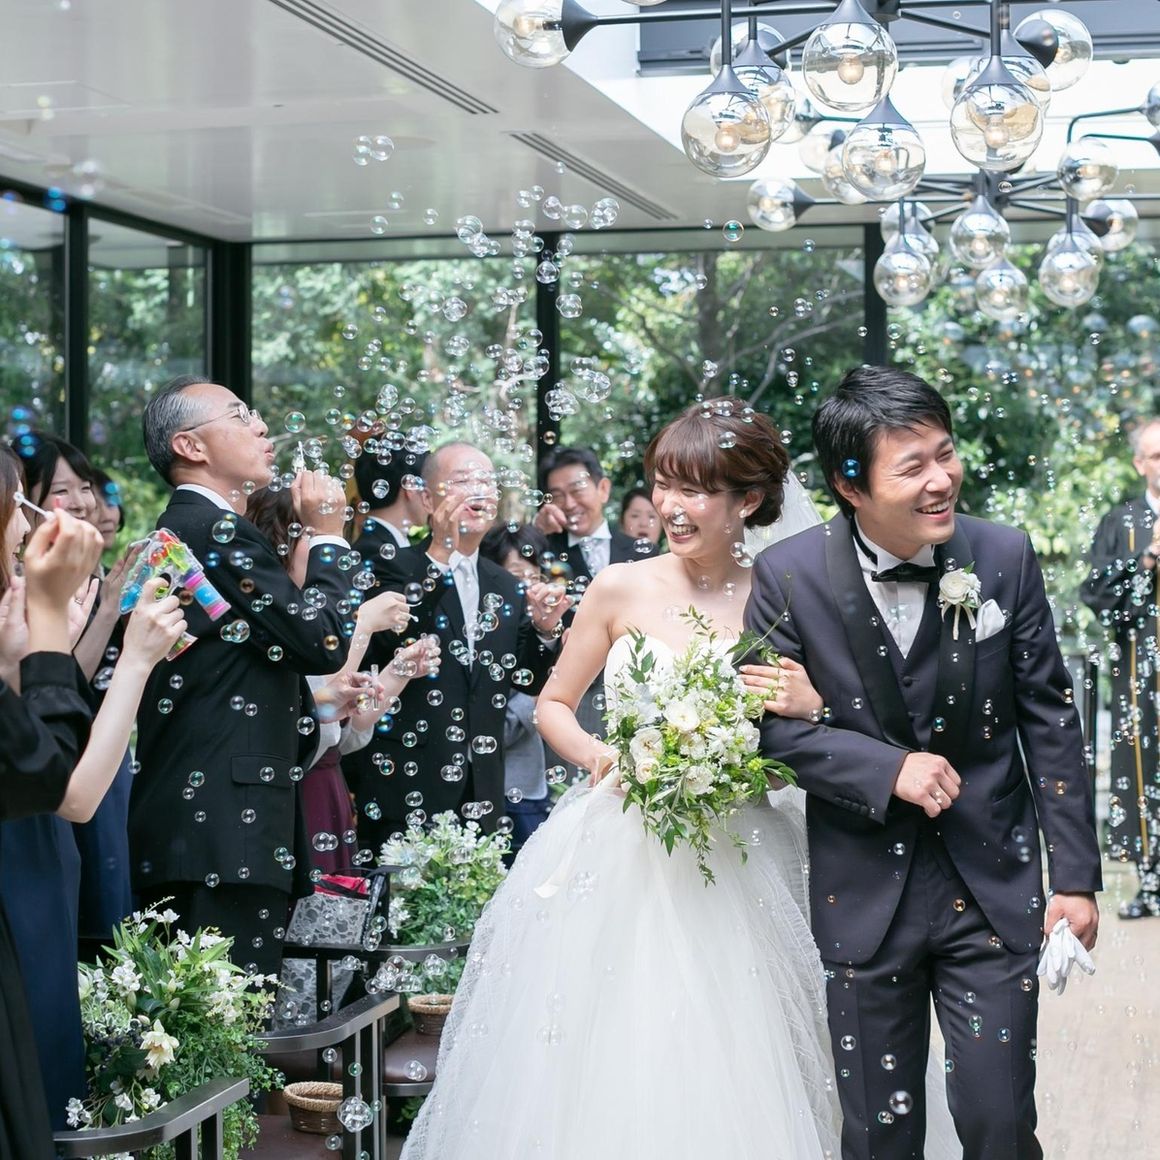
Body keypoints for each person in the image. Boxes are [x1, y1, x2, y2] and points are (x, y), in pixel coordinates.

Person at [401, 399, 842, 1160]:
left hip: (745, 849)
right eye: (664, 484)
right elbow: (554, 706)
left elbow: (829, 724)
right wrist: (603, 756)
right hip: (623, 844)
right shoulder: (619, 587)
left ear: (748, 500)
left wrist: (814, 706)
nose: (670, 506)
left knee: (748, 1050)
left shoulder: (786, 596)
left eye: (694, 490)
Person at [745, 366, 1102, 1160]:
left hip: (992, 885)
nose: (941, 479)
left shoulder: (1003, 556)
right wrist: (885, 768)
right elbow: (768, 733)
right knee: (879, 1135)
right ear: (851, 486)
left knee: (1000, 1122)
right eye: (912, 467)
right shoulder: (789, 576)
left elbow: (1049, 718)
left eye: (945, 454)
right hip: (863, 896)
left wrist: (1075, 877)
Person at [131, 375, 354, 976]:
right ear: (190, 446)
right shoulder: (213, 530)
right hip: (224, 833)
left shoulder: (194, 530)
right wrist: (329, 538)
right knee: (226, 1016)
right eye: (239, 416)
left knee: (212, 1016)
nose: (261, 426)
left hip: (213, 827)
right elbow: (323, 641)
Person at [0, 461, 187, 1134]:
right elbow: (67, 788)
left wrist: (46, 641)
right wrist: (133, 658)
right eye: (18, 499)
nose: (28, 520)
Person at [344, 442, 568, 851]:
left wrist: (544, 630)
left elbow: (527, 679)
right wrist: (440, 555)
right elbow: (395, 641)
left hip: (483, 791)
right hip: (407, 786)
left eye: (486, 481)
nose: (478, 490)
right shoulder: (391, 565)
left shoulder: (505, 584)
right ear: (428, 499)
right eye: (463, 481)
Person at [247, 485, 441, 873]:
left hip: (327, 789)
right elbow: (315, 713)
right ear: (280, 541)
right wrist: (362, 624)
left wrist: (399, 671)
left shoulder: (313, 619)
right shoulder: (279, 625)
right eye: (313, 533)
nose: (331, 551)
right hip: (293, 793)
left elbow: (346, 729)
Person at [1082, 417, 1160, 919]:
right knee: (1144, 764)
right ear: (1139, 464)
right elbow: (1097, 594)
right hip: (1142, 671)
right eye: (1156, 456)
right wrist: (1145, 561)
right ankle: (1151, 879)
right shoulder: (1122, 523)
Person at [479, 522, 553, 850]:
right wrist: (536, 698)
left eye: (536, 576)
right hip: (503, 791)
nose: (530, 587)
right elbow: (492, 730)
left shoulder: (542, 628)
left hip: (534, 787)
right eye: (518, 575)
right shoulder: (490, 633)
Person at [351, 438, 428, 554]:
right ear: (411, 486)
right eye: (427, 484)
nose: (431, 496)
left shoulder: (382, 543)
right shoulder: (373, 551)